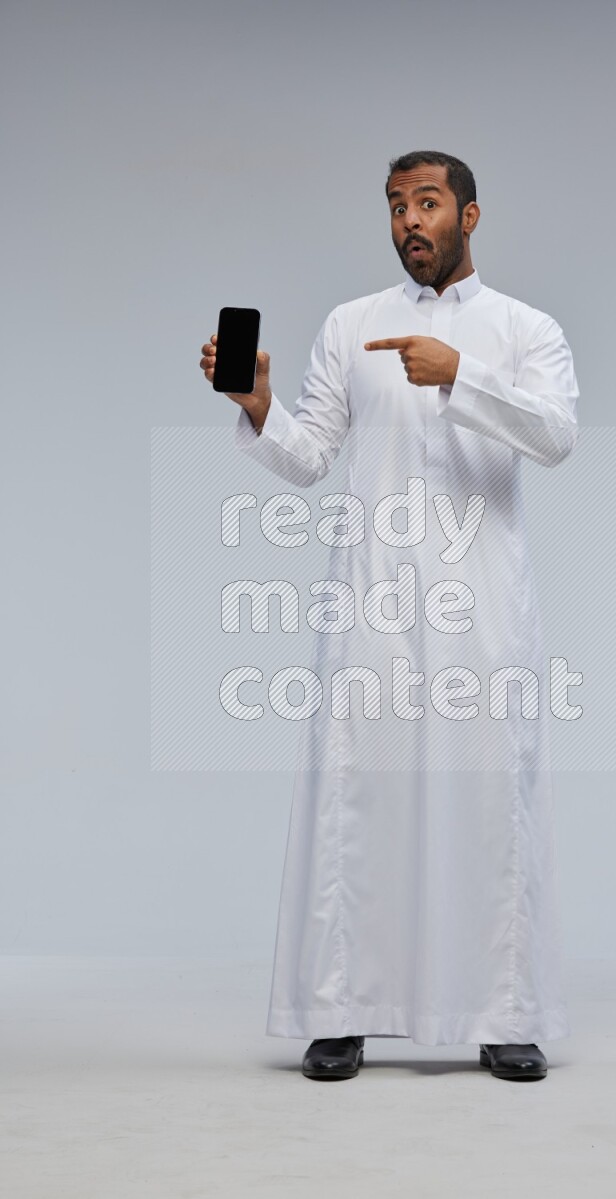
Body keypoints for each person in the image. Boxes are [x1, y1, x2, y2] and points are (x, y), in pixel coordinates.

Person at [199, 150, 580, 1082]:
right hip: (371, 600)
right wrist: (259, 406)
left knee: (492, 795)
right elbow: (307, 454)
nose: (411, 221)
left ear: (471, 216)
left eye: (428, 202)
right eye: (397, 206)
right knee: (356, 799)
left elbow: (558, 435)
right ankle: (341, 1010)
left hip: (480, 602)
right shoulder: (352, 325)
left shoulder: (525, 330)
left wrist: (461, 376)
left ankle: (504, 1012)